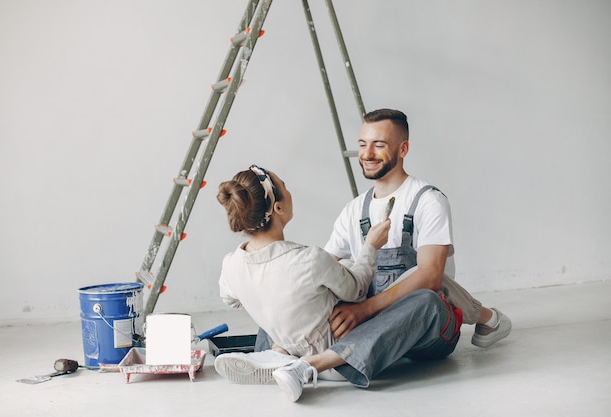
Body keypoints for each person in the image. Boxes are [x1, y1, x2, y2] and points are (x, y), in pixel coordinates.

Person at [217, 110, 511, 402]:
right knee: (291, 290)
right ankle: (282, 355)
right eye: (361, 144)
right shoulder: (354, 210)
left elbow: (432, 276)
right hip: (372, 329)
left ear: (403, 148)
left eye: (379, 145)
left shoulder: (428, 201)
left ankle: (308, 364)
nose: (367, 154)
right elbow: (323, 270)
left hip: (424, 330)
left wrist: (363, 310)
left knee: (427, 299)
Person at [214, 164, 391, 383]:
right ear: (277, 208)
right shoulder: (309, 259)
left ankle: (278, 355)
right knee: (422, 300)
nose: (289, 192)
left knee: (272, 295)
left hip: (288, 343)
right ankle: (302, 365)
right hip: (337, 361)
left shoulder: (231, 264)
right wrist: (370, 246)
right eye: (284, 186)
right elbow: (357, 289)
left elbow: (230, 299)